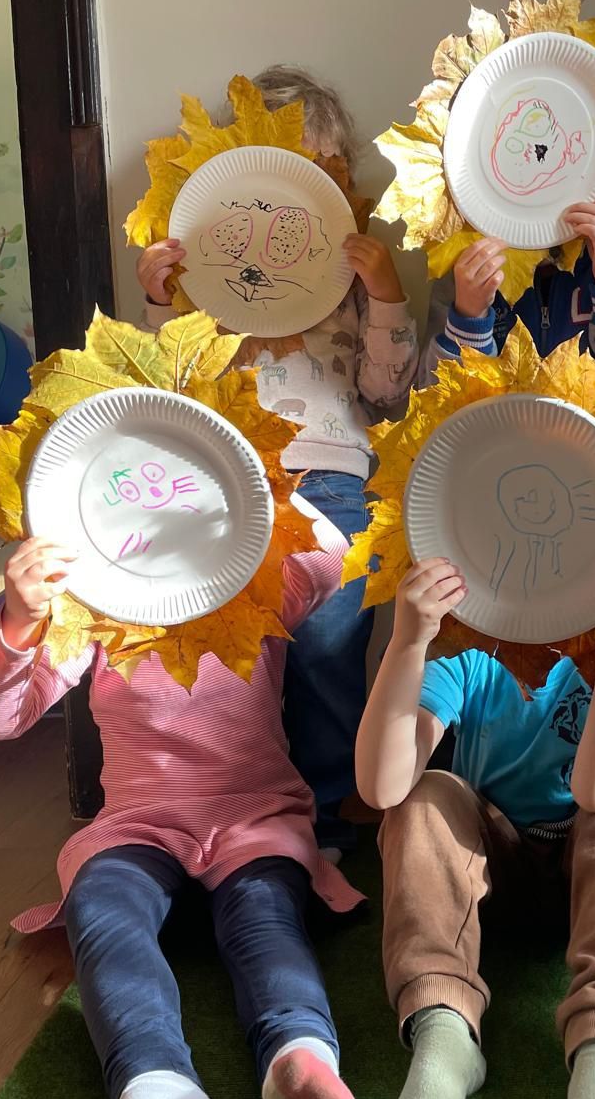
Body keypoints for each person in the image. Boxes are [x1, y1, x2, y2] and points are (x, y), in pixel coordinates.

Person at [0, 506, 364, 1099]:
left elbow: (337, 555)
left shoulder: (260, 577)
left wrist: (257, 480)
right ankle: (158, 1096)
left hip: (253, 816)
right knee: (104, 910)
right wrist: (21, 618)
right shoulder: (98, 601)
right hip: (139, 823)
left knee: (266, 920)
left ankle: (297, 1064)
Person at [354, 536, 595, 1099]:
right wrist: (409, 643)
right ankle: (444, 1031)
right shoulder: (473, 653)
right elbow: (381, 786)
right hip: (494, 874)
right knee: (424, 794)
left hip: (591, 874)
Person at [136, 65, 417, 851]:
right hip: (234, 476)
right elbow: (179, 391)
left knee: (328, 641)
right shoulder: (212, 269)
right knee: (238, 648)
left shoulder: (352, 274)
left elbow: (388, 394)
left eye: (315, 169)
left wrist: (385, 289)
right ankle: (248, 804)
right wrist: (164, 301)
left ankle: (328, 812)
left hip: (332, 473)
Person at [416, 196, 595, 394]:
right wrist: (470, 319)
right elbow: (436, 405)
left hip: (587, 445)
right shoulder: (464, 270)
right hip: (495, 444)